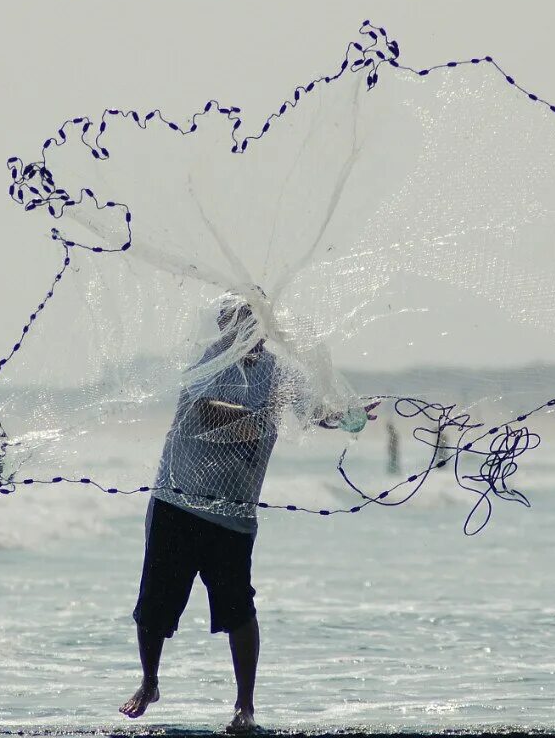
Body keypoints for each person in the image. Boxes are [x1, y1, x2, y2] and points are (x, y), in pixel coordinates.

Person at [120, 297, 377, 732]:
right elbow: (210, 416)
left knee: (238, 607)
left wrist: (343, 416)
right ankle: (149, 682)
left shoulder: (278, 373)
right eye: (234, 322)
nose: (243, 331)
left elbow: (310, 412)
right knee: (155, 605)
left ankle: (245, 708)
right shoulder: (208, 364)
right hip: (178, 501)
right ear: (222, 327)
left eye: (251, 322)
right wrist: (264, 417)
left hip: (232, 512)